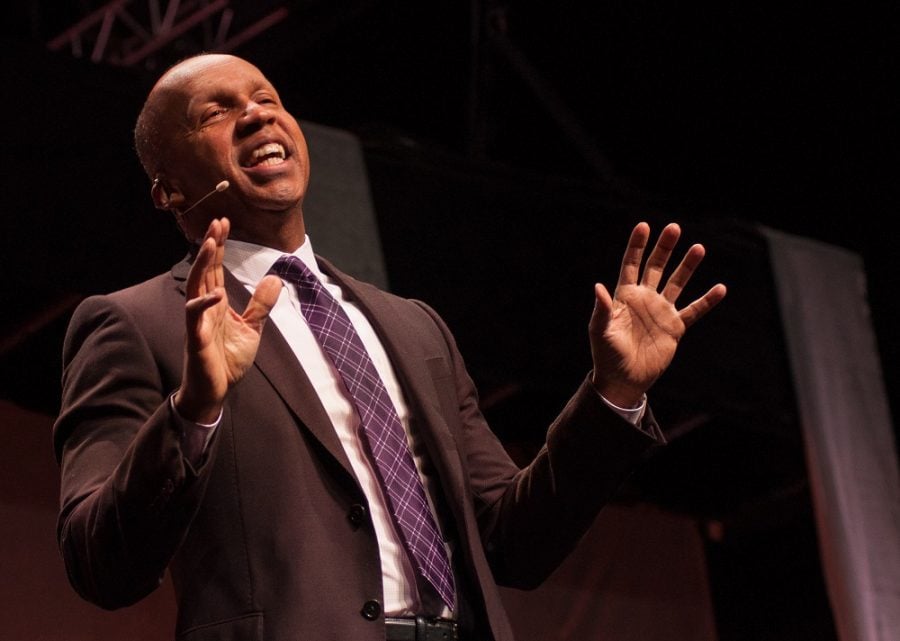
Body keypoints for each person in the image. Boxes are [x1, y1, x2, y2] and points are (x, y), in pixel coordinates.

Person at [53, 53, 726, 641]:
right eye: (216, 112)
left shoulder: (412, 325)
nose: (258, 117)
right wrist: (194, 407)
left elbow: (515, 542)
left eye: (267, 100)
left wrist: (613, 394)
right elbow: (98, 560)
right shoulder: (133, 323)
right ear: (167, 186)